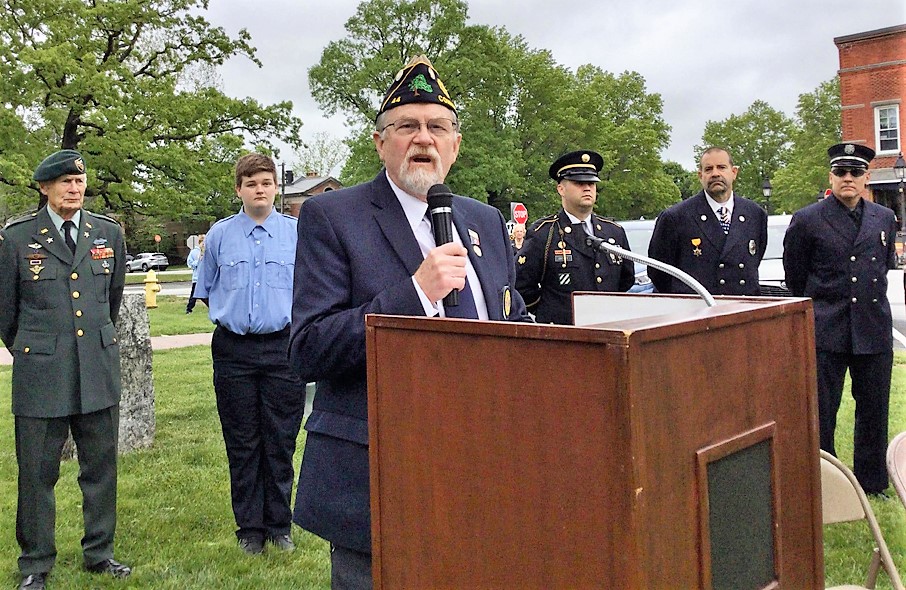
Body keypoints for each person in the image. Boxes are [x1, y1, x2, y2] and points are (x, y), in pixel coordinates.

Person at [288, 55, 530, 589]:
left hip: (484, 465)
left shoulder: (485, 221)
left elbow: (513, 318)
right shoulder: (333, 217)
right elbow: (309, 347)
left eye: (437, 127)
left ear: (455, 146)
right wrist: (416, 292)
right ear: (381, 142)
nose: (424, 139)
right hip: (382, 473)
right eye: (407, 126)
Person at [0, 150, 130, 590]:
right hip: (41, 374)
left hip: (97, 368)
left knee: (101, 468)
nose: (74, 190)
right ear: (44, 187)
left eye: (80, 182)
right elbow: (7, 316)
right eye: (65, 183)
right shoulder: (17, 239)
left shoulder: (107, 233)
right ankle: (35, 563)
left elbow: (111, 299)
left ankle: (100, 553)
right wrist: (40, 349)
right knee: (37, 473)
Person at [194, 153, 307, 554]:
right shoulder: (221, 235)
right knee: (242, 441)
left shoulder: (297, 233)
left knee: (280, 439)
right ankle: (249, 530)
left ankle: (280, 526)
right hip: (234, 350)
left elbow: (308, 292)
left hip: (282, 348)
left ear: (276, 188)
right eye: (251, 184)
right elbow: (205, 290)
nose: (259, 190)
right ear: (239, 189)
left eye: (266, 183)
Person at [783, 142, 896, 495]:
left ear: (867, 178)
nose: (849, 178)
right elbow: (795, 277)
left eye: (856, 172)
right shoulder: (807, 219)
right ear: (831, 176)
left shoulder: (884, 218)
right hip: (826, 330)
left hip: (873, 328)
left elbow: (883, 267)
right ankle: (824, 481)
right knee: (822, 412)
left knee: (874, 410)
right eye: (841, 172)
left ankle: (872, 482)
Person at [515, 150, 635, 325]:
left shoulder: (613, 232)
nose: (587, 188)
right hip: (564, 335)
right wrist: (551, 310)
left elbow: (626, 279)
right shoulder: (544, 233)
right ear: (561, 189)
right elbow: (521, 285)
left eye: (592, 183)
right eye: (579, 183)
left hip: (607, 330)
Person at [648, 146, 768, 295]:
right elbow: (659, 273)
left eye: (722, 167)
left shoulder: (755, 214)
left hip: (743, 307)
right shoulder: (676, 217)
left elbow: (755, 259)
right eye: (709, 169)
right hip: (698, 310)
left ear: (734, 172)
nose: (715, 174)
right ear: (700, 175)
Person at [185, 233, 206, 314]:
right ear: (200, 242)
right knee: (194, 295)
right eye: (203, 242)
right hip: (197, 278)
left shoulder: (207, 252)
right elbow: (190, 264)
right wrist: (198, 260)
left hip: (205, 277)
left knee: (208, 293)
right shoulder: (194, 252)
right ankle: (189, 309)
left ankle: (212, 308)